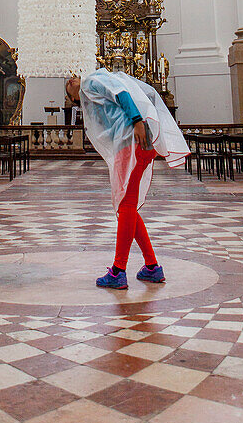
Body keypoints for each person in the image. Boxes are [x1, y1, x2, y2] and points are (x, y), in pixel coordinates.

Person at [66, 68, 189, 289]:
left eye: (71, 82)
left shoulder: (92, 81)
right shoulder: (90, 90)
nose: (70, 80)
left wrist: (137, 121)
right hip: (135, 143)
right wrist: (137, 123)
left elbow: (122, 92)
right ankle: (152, 267)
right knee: (128, 205)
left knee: (126, 204)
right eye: (69, 87)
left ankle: (118, 270)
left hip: (132, 142)